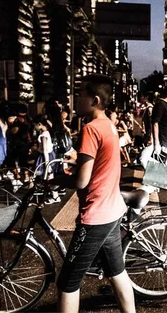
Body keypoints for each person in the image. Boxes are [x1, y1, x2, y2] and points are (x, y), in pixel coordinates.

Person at [55, 74, 135, 313]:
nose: (76, 99)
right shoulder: (109, 124)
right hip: (113, 211)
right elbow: (102, 159)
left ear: (95, 100)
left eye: (80, 94)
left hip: (96, 215)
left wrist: (53, 180)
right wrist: (78, 159)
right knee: (117, 272)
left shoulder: (90, 129)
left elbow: (81, 181)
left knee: (68, 283)